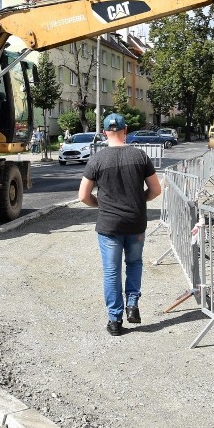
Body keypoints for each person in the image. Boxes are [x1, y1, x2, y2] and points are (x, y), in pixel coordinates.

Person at [78, 113, 162, 336]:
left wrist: (100, 205)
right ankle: (132, 304)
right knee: (134, 263)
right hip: (135, 223)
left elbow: (83, 196)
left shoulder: (97, 159)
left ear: (105, 133)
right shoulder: (140, 156)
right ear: (126, 131)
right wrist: (137, 201)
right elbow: (156, 190)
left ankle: (115, 321)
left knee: (111, 271)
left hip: (109, 225)